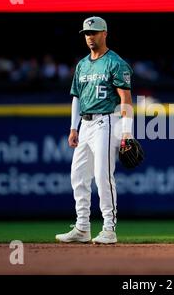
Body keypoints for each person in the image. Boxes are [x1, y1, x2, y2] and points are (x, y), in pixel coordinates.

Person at [56, 16, 133, 244]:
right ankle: (82, 228)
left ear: (105, 33)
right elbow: (76, 97)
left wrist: (127, 132)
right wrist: (73, 127)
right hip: (86, 124)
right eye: (87, 33)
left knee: (102, 176)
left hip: (107, 122)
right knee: (78, 176)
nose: (90, 37)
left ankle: (109, 228)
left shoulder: (116, 63)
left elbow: (126, 99)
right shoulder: (82, 64)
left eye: (94, 32)